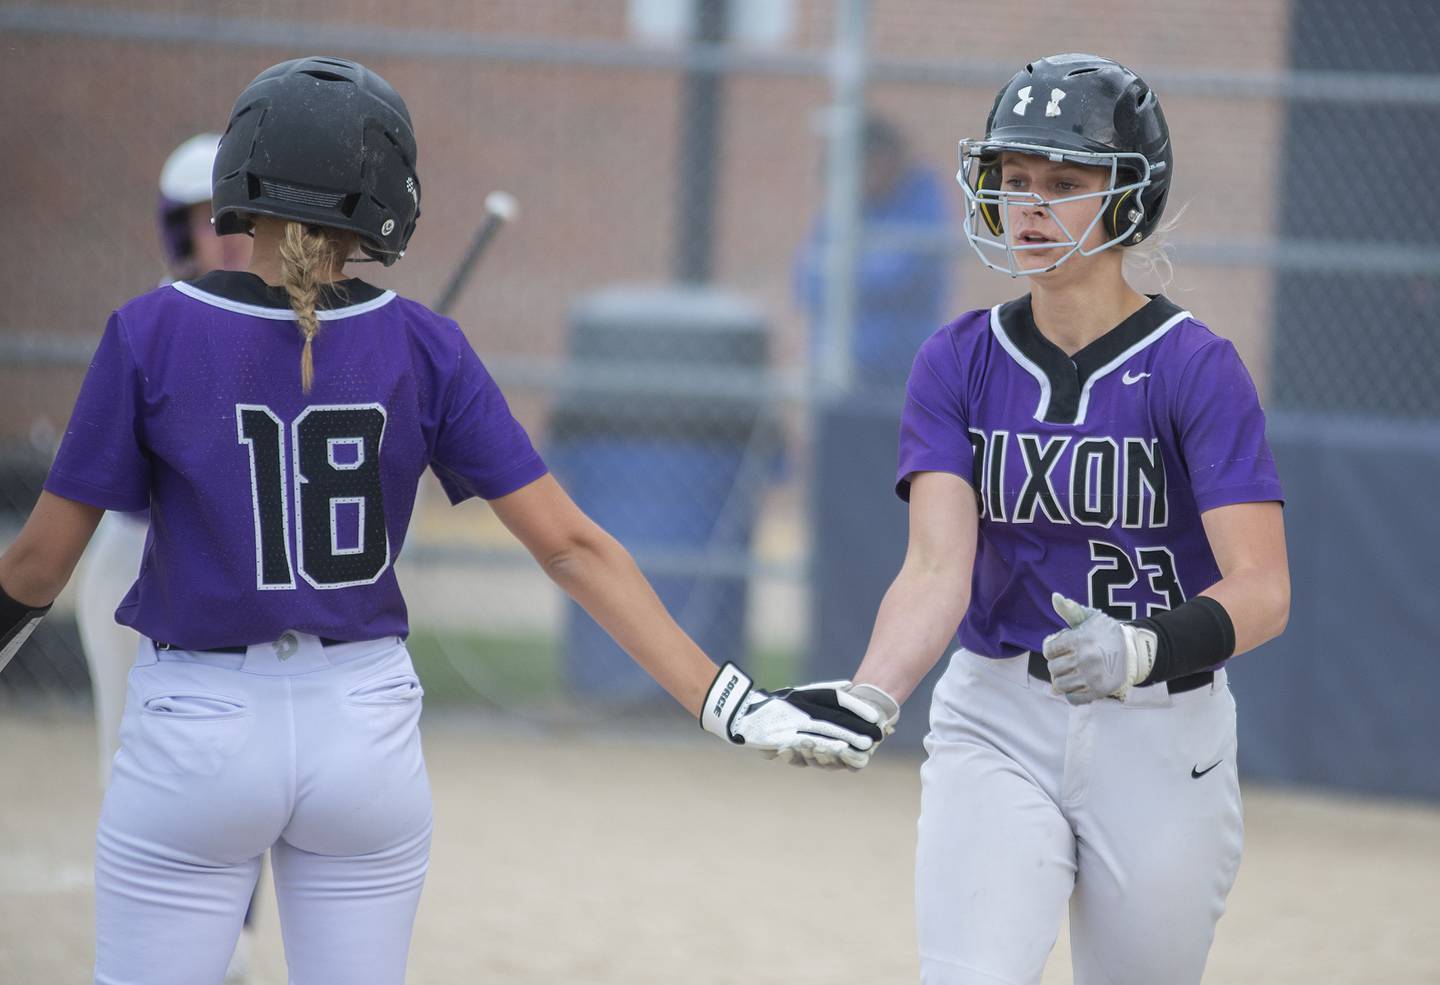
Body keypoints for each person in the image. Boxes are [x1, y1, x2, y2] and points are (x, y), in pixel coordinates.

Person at [0, 56, 883, 985]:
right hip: (362, 729)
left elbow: (35, 569)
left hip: (198, 723)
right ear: (383, 198)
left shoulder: (150, 331)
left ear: (238, 179)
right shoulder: (423, 342)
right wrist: (730, 703)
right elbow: (573, 547)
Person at [800, 53, 1291, 985]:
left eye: (1063, 183)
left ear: (1128, 200)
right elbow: (937, 568)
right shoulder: (956, 359)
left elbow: (1264, 590)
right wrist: (872, 691)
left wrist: (1144, 647)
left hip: (1161, 725)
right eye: (1014, 180)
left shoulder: (1197, 367)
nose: (1029, 205)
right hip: (997, 713)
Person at [74, 131, 257, 982]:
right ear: (175, 229)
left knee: (250, 757)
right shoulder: (158, 328)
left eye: (240, 219)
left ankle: (235, 943)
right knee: (134, 747)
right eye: (206, 220)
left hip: (230, 577)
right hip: (135, 563)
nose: (226, 236)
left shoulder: (277, 324)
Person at [794, 114, 952, 388]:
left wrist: (840, 275)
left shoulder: (920, 197)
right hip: (835, 367)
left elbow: (897, 274)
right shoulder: (844, 205)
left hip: (899, 371)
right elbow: (805, 283)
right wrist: (848, 275)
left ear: (885, 159)